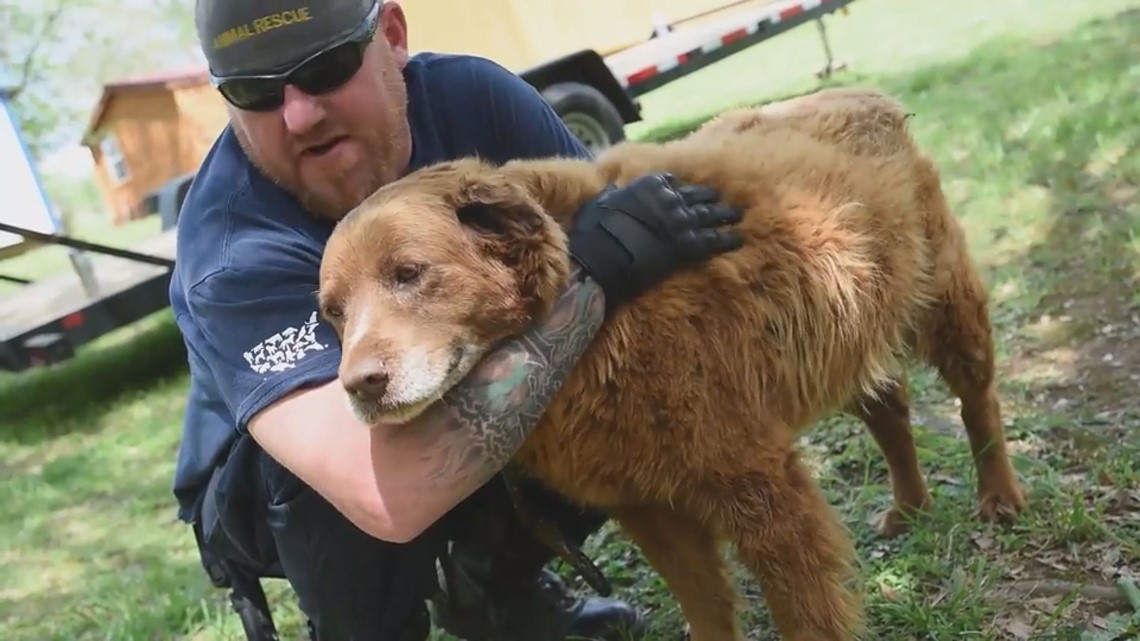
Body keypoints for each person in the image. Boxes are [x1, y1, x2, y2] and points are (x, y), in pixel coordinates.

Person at [171, 0, 744, 639]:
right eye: (255, 91)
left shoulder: (475, 100)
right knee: (325, 477)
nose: (299, 113)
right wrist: (594, 275)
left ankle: (493, 590)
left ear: (391, 35)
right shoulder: (232, 252)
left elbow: (631, 282)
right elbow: (383, 495)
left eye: (327, 67)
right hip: (268, 488)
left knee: (605, 344)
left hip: (444, 380)